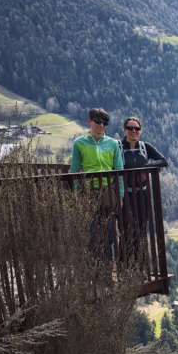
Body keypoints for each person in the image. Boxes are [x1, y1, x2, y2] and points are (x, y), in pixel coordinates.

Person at [70, 108, 124, 272]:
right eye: (97, 121)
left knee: (109, 234)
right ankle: (94, 270)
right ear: (90, 121)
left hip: (108, 193)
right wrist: (77, 194)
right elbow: (74, 170)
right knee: (91, 233)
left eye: (105, 123)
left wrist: (120, 196)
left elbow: (119, 171)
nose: (101, 125)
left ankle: (107, 270)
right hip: (89, 193)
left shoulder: (113, 144)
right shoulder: (79, 143)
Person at [119, 116, 168, 265]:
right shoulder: (118, 147)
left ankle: (138, 267)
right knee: (127, 230)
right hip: (125, 195)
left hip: (143, 194)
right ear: (125, 130)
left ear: (141, 131)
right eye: (130, 128)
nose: (134, 131)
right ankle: (124, 266)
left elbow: (163, 161)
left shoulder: (145, 147)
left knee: (140, 230)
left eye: (137, 128)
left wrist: (145, 168)